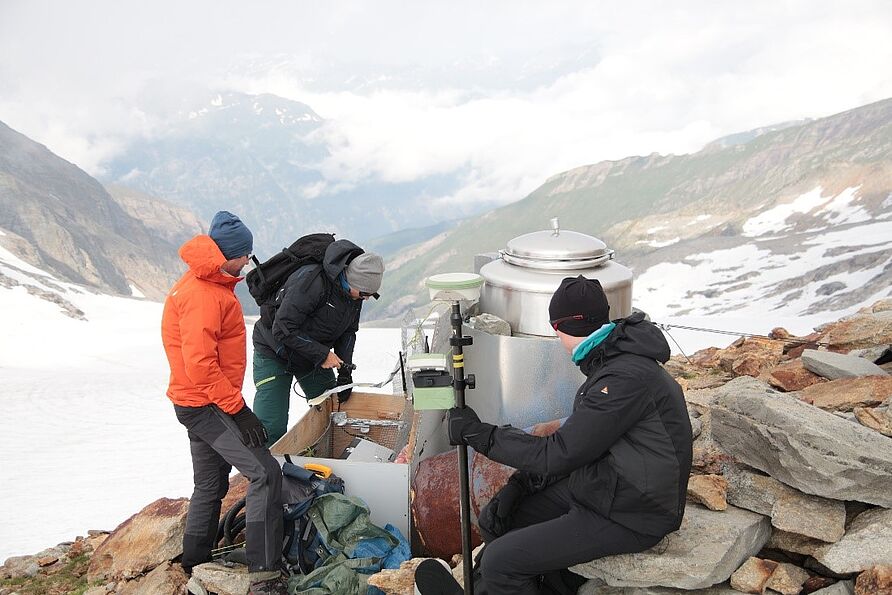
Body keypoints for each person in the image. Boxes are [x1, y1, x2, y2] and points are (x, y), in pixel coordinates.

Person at [442, 275, 693, 595]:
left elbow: (560, 454)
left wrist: (481, 435)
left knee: (501, 562)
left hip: (633, 513)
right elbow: (585, 443)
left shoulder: (621, 379)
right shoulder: (615, 360)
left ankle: (500, 581)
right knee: (505, 516)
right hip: (609, 487)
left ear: (560, 327)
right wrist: (523, 484)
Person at [161, 211, 287, 595]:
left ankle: (195, 561)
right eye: (245, 254)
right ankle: (264, 573)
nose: (249, 260)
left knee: (211, 485)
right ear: (228, 254)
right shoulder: (203, 295)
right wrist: (239, 410)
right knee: (265, 473)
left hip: (196, 400)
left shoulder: (209, 285)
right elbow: (201, 366)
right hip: (206, 403)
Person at [252, 240, 385, 446]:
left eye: (370, 295)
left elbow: (348, 332)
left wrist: (345, 373)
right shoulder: (311, 282)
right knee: (272, 425)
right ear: (351, 280)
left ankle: (324, 456)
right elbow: (283, 328)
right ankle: (266, 474)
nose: (366, 299)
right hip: (273, 351)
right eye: (364, 293)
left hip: (310, 355)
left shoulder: (354, 298)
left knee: (331, 409)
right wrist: (322, 355)